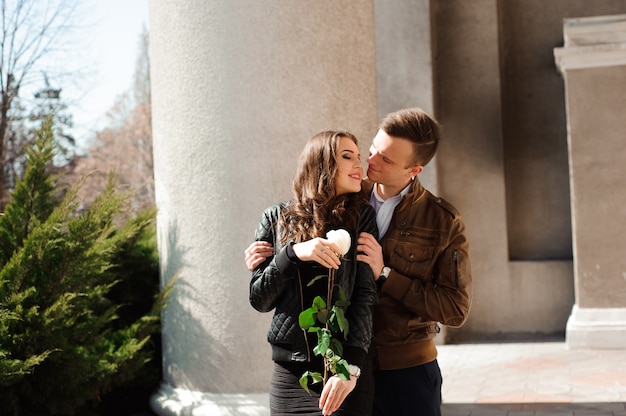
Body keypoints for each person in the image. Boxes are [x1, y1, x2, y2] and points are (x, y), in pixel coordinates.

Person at [246, 108, 473, 416]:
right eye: (371, 151)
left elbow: (455, 308)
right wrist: (275, 252)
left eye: (387, 160)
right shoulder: (347, 197)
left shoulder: (442, 221)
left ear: (414, 170)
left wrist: (387, 275)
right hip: (341, 361)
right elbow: (298, 231)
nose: (370, 163)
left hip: (403, 370)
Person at [248, 130, 379, 416]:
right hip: (290, 376)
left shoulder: (362, 217)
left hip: (343, 372)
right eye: (347, 156)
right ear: (321, 163)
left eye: (358, 156)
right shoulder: (275, 218)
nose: (359, 164)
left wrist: (352, 367)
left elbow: (364, 296)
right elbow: (260, 299)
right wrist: (293, 254)